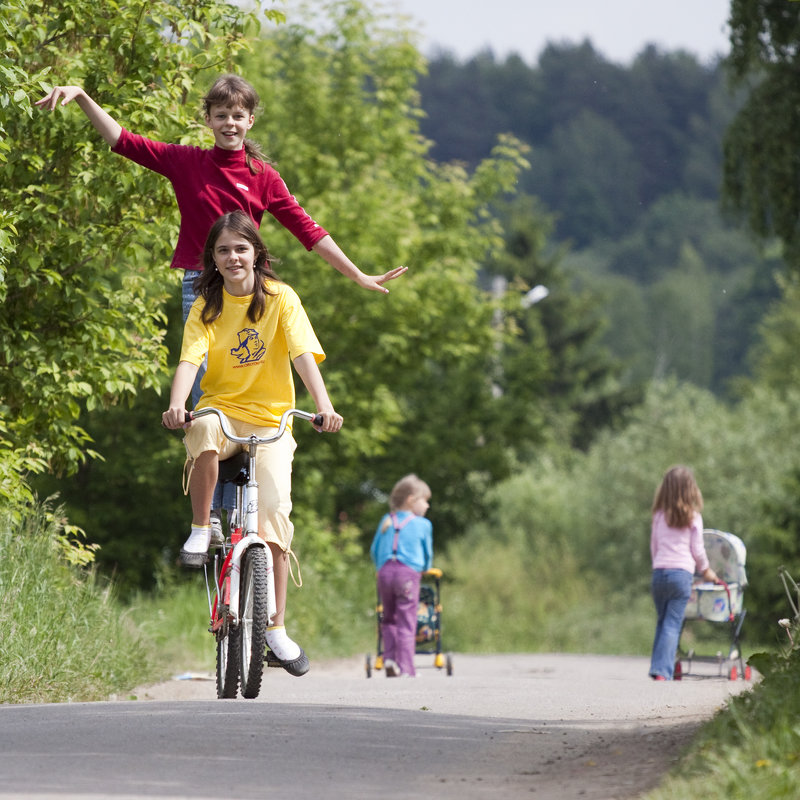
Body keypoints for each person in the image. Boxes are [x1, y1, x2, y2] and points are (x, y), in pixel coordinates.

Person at [37, 74, 404, 529]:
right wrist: (83, 97)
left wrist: (358, 275)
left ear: (249, 120)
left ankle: (251, 499)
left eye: (238, 115)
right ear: (208, 119)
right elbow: (124, 140)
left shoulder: (262, 177)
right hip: (202, 286)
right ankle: (213, 511)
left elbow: (309, 230)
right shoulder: (187, 162)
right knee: (208, 401)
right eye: (221, 115)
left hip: (252, 291)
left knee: (252, 381)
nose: (229, 123)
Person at [162, 210, 343, 677]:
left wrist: (324, 406)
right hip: (222, 413)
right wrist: (178, 403)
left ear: (256, 254)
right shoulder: (207, 305)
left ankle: (277, 628)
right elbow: (189, 360)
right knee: (200, 428)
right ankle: (201, 528)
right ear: (213, 260)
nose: (233, 257)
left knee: (276, 517)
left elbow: (303, 356)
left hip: (273, 421)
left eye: (241, 248)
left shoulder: (282, 299)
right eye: (223, 251)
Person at [649, 465, 720, 681]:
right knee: (672, 623)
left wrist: (658, 565)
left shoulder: (659, 516)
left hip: (659, 573)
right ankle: (662, 671)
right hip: (681, 575)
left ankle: (658, 668)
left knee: (662, 621)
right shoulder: (693, 518)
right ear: (691, 490)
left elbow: (654, 545)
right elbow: (697, 550)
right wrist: (706, 571)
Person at [370, 474, 433, 678]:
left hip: (385, 574)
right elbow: (427, 554)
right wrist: (425, 568)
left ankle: (389, 660)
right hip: (407, 575)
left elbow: (374, 550)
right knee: (407, 620)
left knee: (389, 618)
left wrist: (381, 568)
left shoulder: (386, 520)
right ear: (411, 500)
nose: (427, 506)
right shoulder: (423, 524)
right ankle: (407, 668)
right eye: (425, 500)